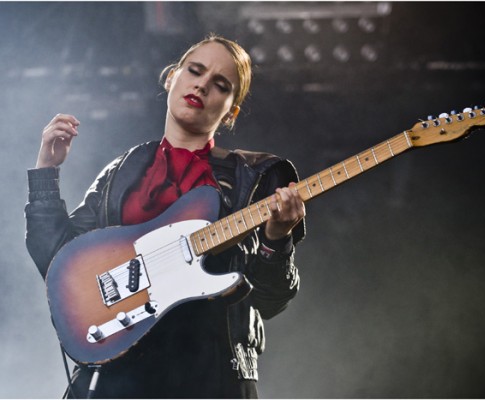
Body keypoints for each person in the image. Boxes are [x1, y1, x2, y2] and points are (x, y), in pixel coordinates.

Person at [25, 34, 306, 399]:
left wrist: (277, 239)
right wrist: (46, 171)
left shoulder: (253, 178)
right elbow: (58, 262)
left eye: (220, 85)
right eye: (195, 71)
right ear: (172, 77)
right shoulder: (122, 172)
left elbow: (270, 300)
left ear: (230, 112)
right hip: (118, 374)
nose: (203, 85)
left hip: (210, 374)